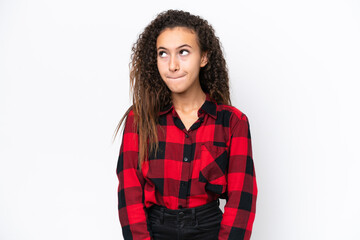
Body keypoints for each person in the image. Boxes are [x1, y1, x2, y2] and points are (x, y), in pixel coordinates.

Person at [113, 9, 258, 240]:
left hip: (209, 231)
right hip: (154, 231)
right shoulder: (139, 119)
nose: (172, 65)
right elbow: (129, 194)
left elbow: (242, 199)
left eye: (183, 52)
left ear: (203, 57)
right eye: (163, 53)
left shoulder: (232, 123)